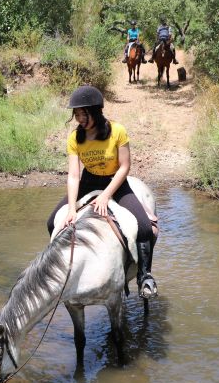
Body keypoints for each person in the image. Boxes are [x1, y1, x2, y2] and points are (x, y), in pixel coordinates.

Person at [46, 85, 158, 298]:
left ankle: (145, 276)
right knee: (52, 223)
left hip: (115, 181)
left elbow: (125, 166)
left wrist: (106, 194)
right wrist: (71, 209)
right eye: (76, 114)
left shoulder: (117, 131)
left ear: (96, 111)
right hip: (88, 181)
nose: (79, 118)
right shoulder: (74, 138)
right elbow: (73, 175)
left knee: (144, 227)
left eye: (83, 114)